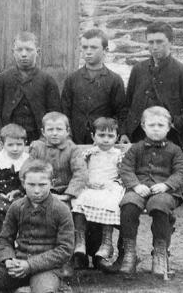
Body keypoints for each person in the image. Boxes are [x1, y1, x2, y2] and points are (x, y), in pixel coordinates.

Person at [0, 160, 74, 293]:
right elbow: (4, 240)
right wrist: (8, 259)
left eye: (42, 185)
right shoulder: (17, 207)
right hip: (17, 267)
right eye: (31, 185)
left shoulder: (61, 210)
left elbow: (65, 249)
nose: (37, 190)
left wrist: (30, 265)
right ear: (23, 184)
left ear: (52, 183)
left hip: (46, 270)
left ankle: (52, 287)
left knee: (44, 290)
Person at [117, 106, 183, 275]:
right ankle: (129, 252)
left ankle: (160, 252)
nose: (156, 129)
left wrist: (166, 185)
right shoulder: (136, 148)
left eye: (160, 125)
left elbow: (181, 172)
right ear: (143, 126)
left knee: (159, 205)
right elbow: (126, 169)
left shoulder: (175, 150)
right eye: (151, 125)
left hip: (166, 192)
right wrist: (135, 185)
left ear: (169, 127)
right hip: (140, 189)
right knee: (128, 204)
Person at [121, 23, 183, 154]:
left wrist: (174, 123)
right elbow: (127, 106)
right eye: (150, 42)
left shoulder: (182, 72)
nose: (154, 47)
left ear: (170, 42)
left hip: (170, 140)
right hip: (138, 138)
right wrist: (124, 132)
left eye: (159, 42)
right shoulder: (138, 69)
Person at [27, 112, 86, 270]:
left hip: (65, 193)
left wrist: (68, 195)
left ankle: (65, 259)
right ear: (43, 131)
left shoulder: (73, 150)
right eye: (50, 129)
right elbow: (26, 170)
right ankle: (38, 255)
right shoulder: (37, 147)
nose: (54, 133)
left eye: (59, 129)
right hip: (41, 191)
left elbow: (80, 173)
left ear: (67, 131)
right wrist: (40, 190)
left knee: (63, 214)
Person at [70, 117, 126, 273]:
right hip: (91, 186)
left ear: (117, 137)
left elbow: (124, 174)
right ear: (93, 136)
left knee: (110, 203)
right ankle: (80, 241)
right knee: (80, 201)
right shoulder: (89, 154)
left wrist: (112, 184)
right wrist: (87, 182)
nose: (106, 140)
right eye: (101, 135)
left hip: (110, 186)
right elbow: (81, 171)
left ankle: (106, 243)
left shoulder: (118, 155)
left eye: (110, 136)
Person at [0, 32, 62, 144]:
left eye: (29, 50)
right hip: (9, 140)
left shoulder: (47, 80)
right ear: (13, 52)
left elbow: (55, 114)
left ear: (38, 52)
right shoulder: (3, 79)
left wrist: (45, 139)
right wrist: (0, 138)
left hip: (39, 141)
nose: (24, 54)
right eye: (19, 50)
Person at [62, 29, 127, 146]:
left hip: (103, 139)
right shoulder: (72, 79)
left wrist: (118, 134)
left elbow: (121, 112)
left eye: (93, 47)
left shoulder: (114, 80)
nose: (88, 52)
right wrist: (67, 136)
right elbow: (65, 111)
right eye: (85, 47)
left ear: (105, 50)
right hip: (75, 139)